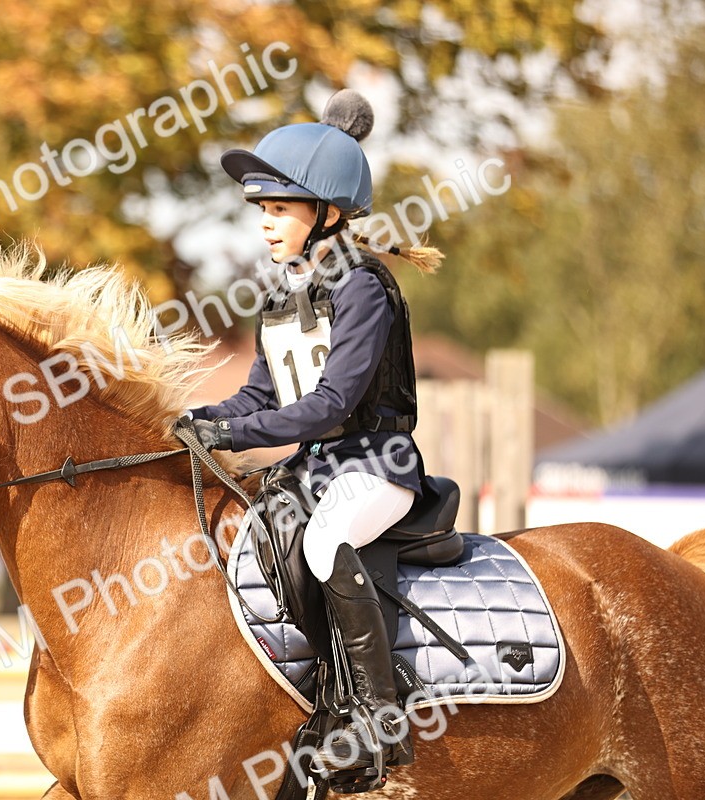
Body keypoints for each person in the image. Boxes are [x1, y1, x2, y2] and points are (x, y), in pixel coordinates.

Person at [187, 90, 442, 778]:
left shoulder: (364, 287)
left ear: (327, 213)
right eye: (263, 212)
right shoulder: (281, 296)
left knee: (328, 539)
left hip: (377, 467)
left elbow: (331, 406)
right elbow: (260, 395)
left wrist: (237, 432)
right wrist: (204, 419)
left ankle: (377, 718)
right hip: (319, 470)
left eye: (280, 210)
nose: (266, 225)